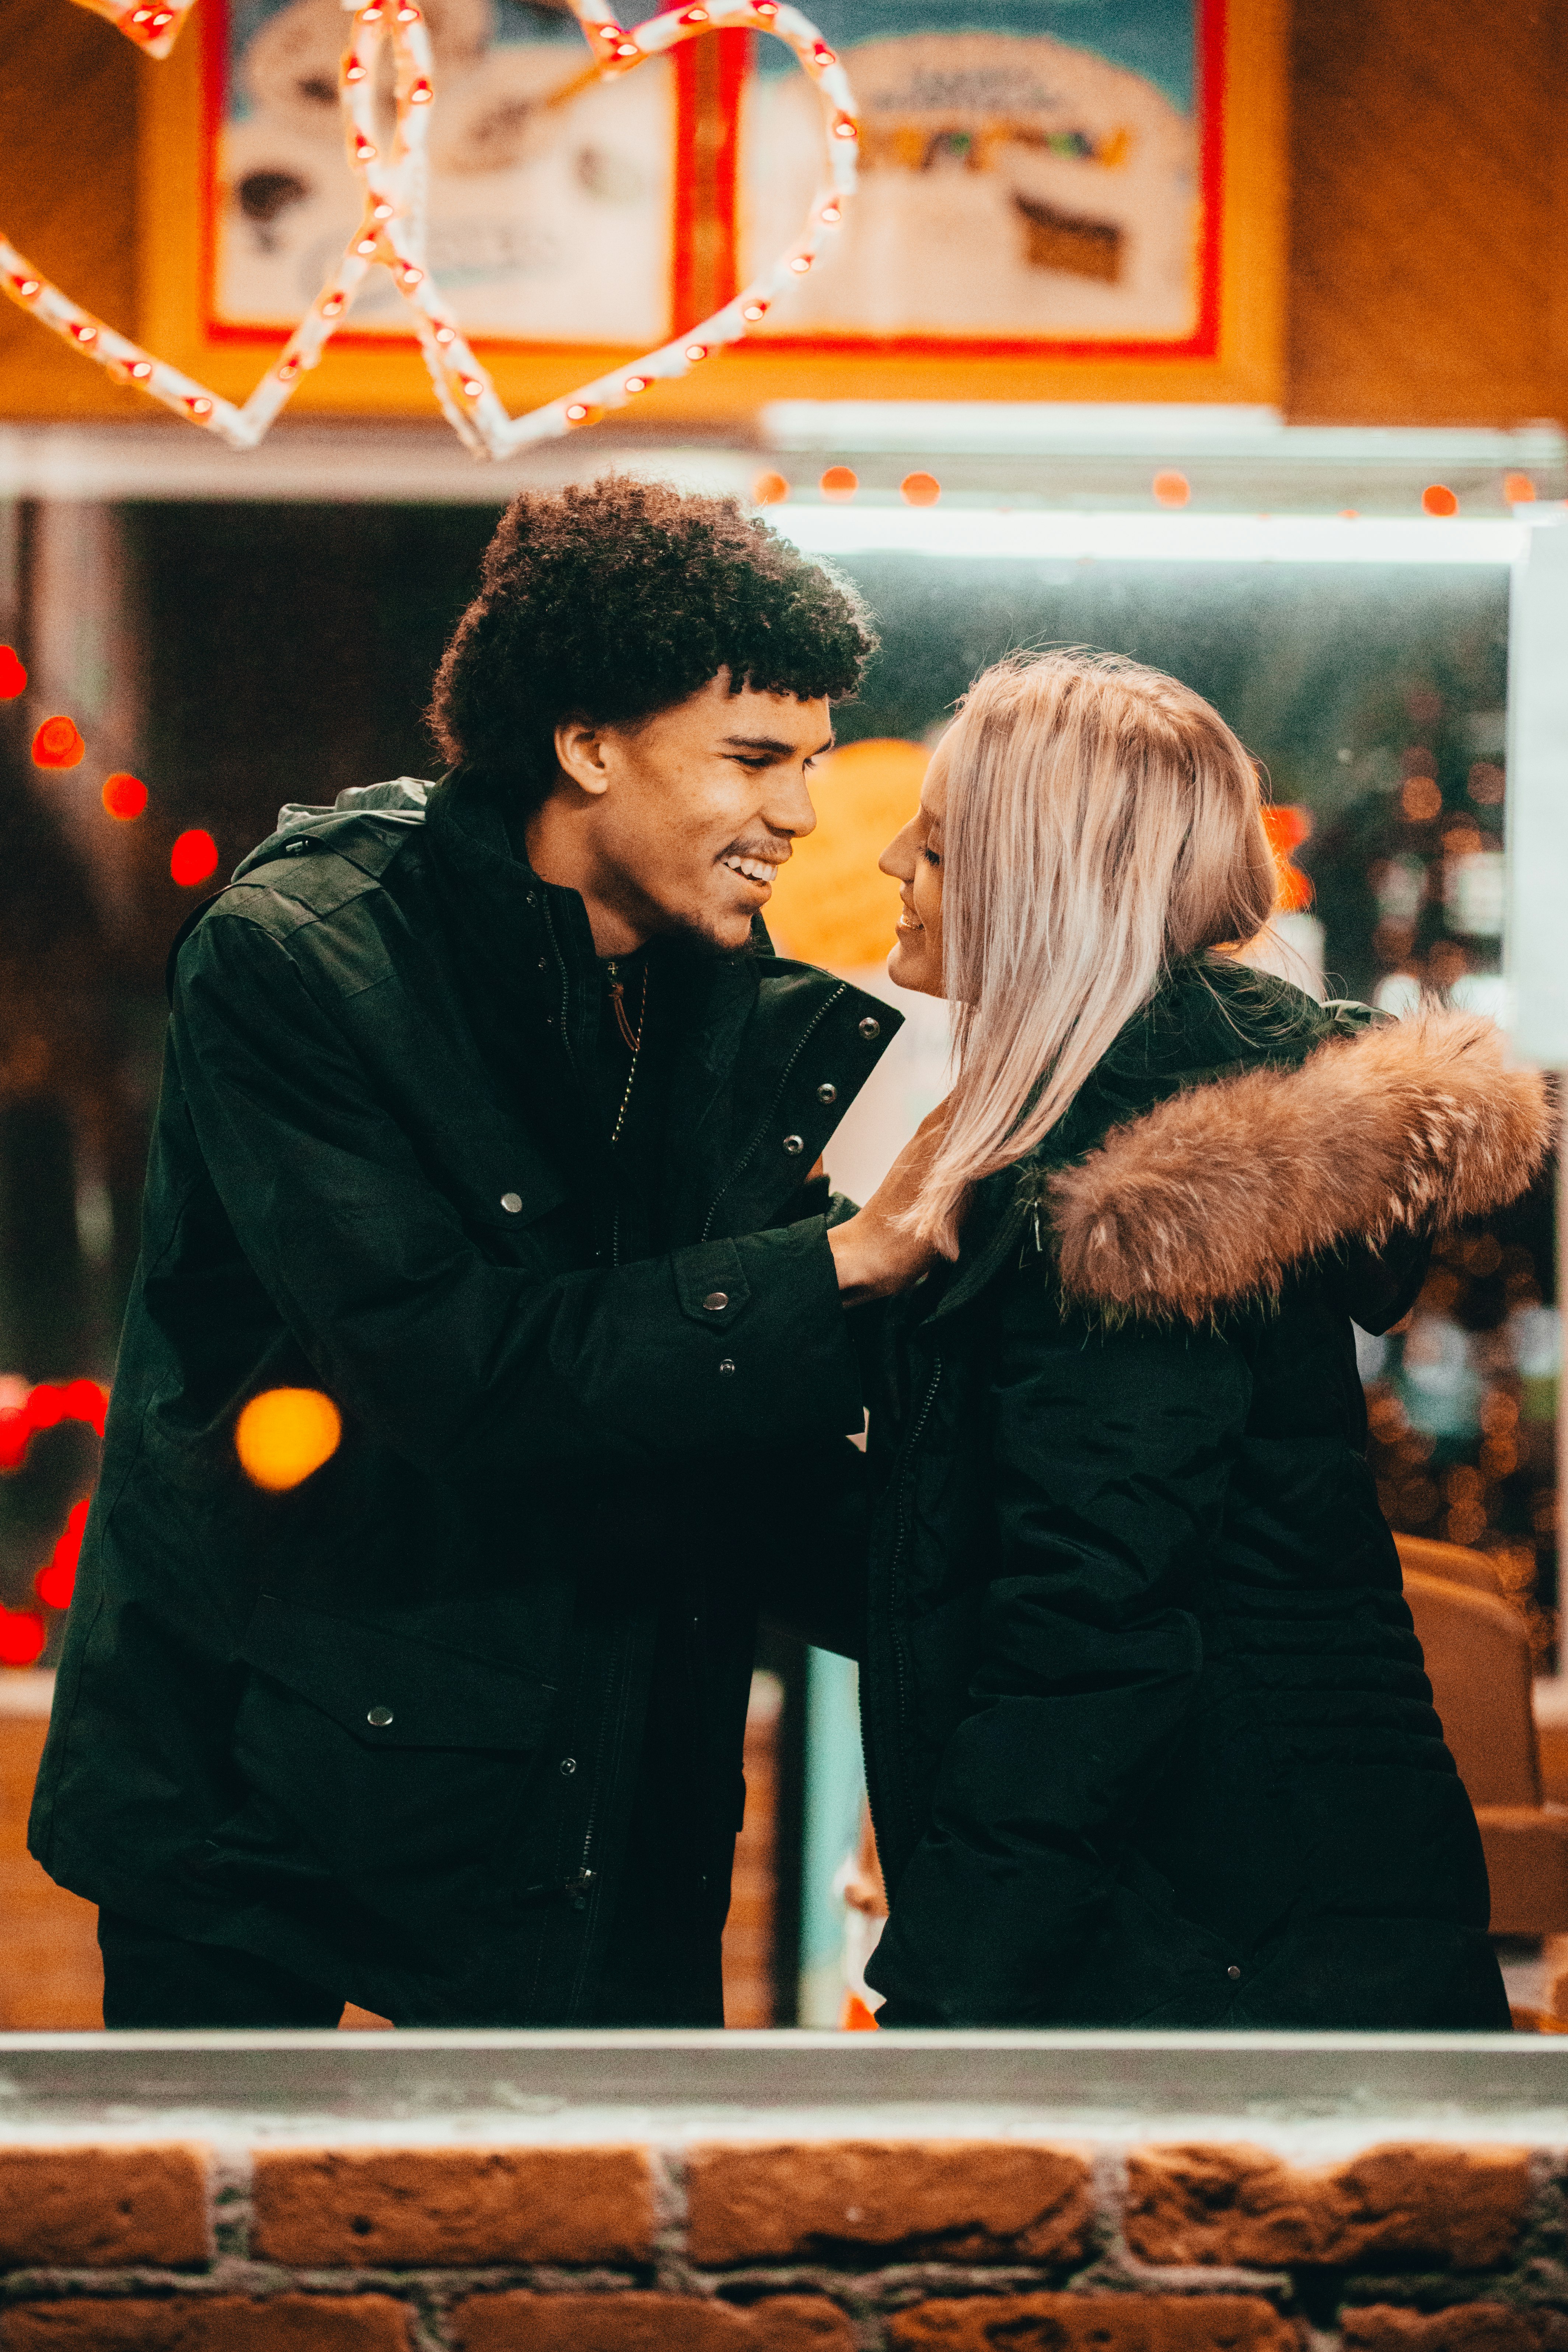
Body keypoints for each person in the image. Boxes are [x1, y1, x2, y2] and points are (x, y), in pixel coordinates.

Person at [30, 477, 935, 2029]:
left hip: (596, 1807)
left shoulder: (724, 996)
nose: (799, 813)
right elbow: (443, 1370)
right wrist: (839, 1267)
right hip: (259, 1802)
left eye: (814, 763)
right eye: (753, 758)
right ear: (588, 743)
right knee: (230, 2260)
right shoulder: (305, 957)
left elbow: (721, 1436)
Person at [843, 648, 1549, 2029]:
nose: (885, 862)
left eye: (931, 840)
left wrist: (949, 1981)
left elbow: (1095, 1621)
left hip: (1209, 1931)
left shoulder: (1131, 1177)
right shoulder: (1170, 1117)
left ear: (1034, 880)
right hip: (1290, 1905)